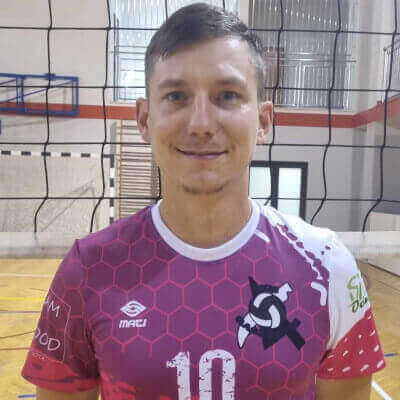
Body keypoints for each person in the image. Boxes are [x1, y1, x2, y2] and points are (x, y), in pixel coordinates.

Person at [22, 3, 385, 399]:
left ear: (264, 121)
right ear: (144, 120)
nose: (200, 124)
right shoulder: (88, 270)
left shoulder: (326, 267)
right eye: (176, 96)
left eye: (227, 95)